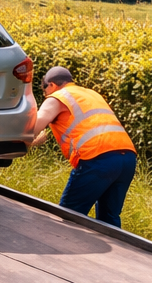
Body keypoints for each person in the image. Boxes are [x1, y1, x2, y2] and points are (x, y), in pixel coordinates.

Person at [30, 66, 137, 228]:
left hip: (98, 158)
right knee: (109, 221)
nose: (45, 93)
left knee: (68, 217)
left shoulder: (58, 97)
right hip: (127, 158)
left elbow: (33, 127)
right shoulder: (91, 94)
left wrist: (31, 141)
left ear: (51, 85)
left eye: (44, 88)